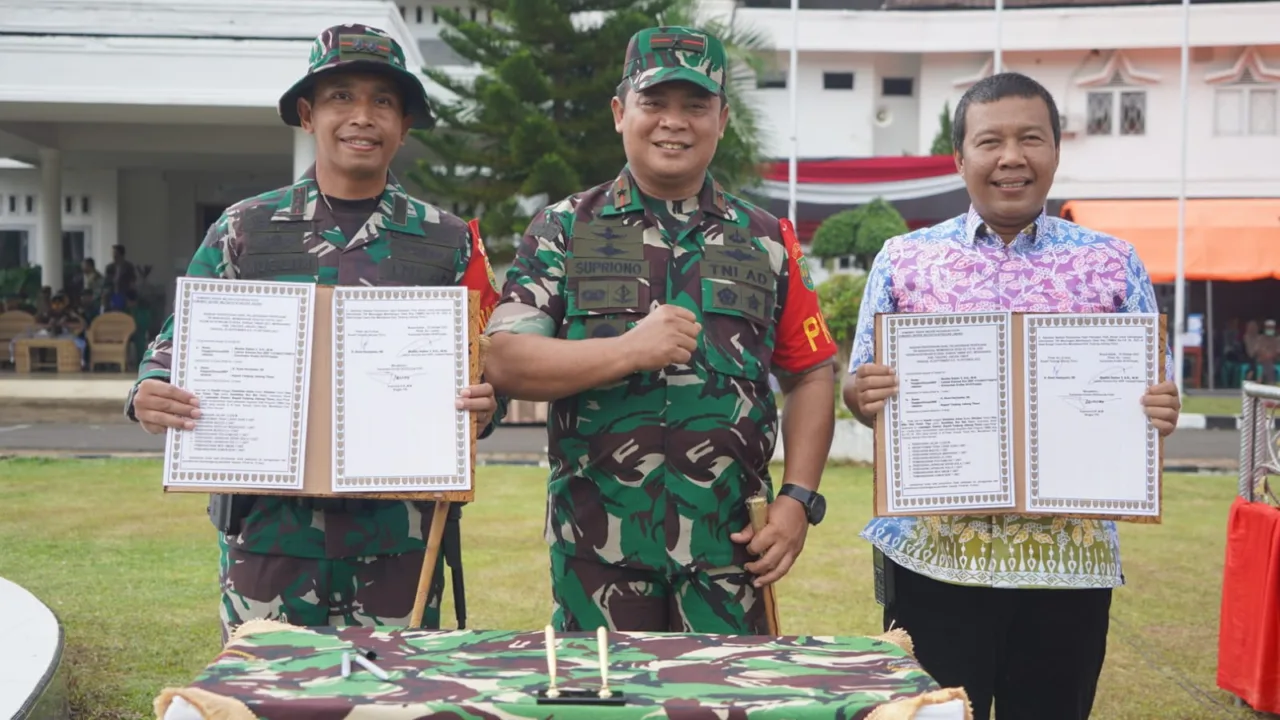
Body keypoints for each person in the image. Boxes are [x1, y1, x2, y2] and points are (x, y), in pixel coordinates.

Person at [124, 24, 503, 642]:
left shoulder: (447, 241)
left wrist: (485, 406)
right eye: (341, 97)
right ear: (307, 114)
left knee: (391, 703)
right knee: (264, 697)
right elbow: (177, 345)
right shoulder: (244, 229)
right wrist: (150, 390)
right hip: (270, 534)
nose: (362, 117)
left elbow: (482, 369)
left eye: (383, 101)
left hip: (398, 544)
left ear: (405, 123)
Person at [844, 72, 1181, 720]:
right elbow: (862, 386)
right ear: (959, 157)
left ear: (1056, 149)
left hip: (1066, 568)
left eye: (1031, 138)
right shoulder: (904, 258)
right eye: (990, 141)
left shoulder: (1113, 261)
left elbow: (1153, 394)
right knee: (936, 716)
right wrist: (865, 390)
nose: (1011, 157)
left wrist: (1158, 410)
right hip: (935, 565)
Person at [482, 26, 838, 635]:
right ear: (621, 112)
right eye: (655, 103)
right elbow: (506, 359)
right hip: (598, 552)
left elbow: (810, 371)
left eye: (695, 106)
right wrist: (626, 351)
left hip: (730, 552)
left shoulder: (765, 240)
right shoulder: (565, 228)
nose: (674, 122)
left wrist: (798, 499)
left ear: (721, 119)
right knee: (605, 702)